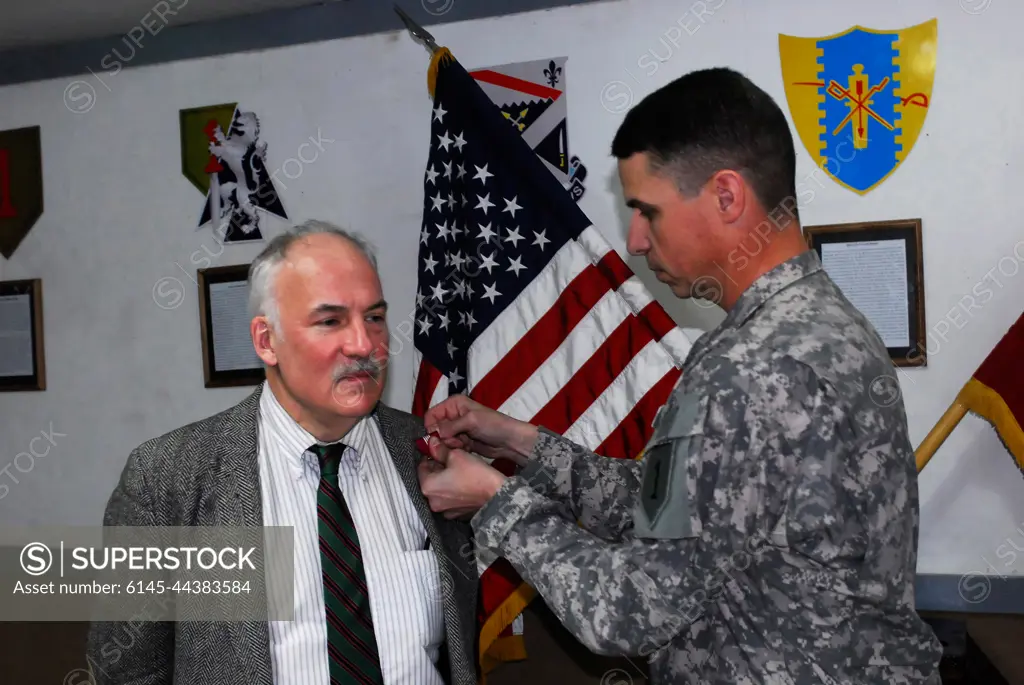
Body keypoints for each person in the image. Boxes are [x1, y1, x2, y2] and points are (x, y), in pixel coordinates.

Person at [416, 68, 944, 684]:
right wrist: (519, 444)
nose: (636, 241)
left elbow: (630, 611)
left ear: (726, 196)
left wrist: (495, 500)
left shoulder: (748, 366)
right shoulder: (820, 322)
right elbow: (672, 508)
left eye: (647, 211)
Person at [87, 221, 480, 685]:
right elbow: (126, 670)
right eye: (330, 321)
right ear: (265, 341)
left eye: (374, 317)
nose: (363, 345)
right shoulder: (168, 478)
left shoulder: (430, 456)